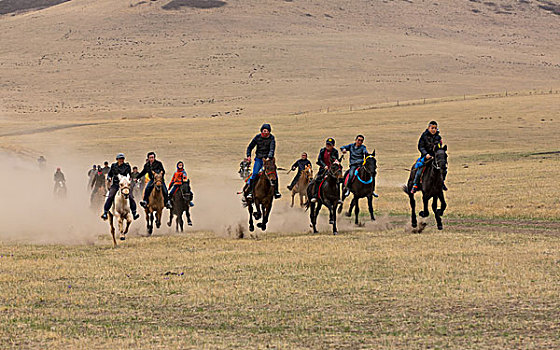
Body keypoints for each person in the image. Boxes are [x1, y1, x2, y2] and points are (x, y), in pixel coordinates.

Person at [245, 123, 281, 199]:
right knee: (254, 174)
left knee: (274, 175)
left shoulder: (272, 138)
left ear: (269, 132)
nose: (265, 132)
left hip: (268, 159)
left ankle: (276, 192)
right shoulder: (257, 138)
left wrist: (269, 157)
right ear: (261, 131)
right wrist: (248, 155)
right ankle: (251, 192)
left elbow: (272, 148)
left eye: (266, 131)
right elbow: (250, 147)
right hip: (259, 158)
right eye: (264, 131)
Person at [411, 121, 447, 194]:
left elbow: (439, 147)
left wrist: (438, 153)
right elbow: (420, 146)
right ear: (428, 128)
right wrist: (426, 154)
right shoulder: (424, 136)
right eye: (432, 128)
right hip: (426, 157)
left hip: (435, 157)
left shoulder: (438, 137)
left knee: (443, 169)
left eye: (435, 128)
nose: (433, 130)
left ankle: (442, 183)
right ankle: (415, 185)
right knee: (419, 170)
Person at [100, 153, 139, 220]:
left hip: (125, 185)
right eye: (120, 159)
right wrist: (109, 178)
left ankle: (134, 213)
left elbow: (129, 175)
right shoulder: (113, 166)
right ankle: (105, 213)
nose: (121, 160)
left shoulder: (127, 166)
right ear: (117, 159)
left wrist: (130, 179)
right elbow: (110, 174)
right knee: (110, 196)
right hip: (116, 185)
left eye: (122, 159)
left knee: (131, 197)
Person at [309, 138, 339, 203]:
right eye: (327, 144)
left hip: (332, 171)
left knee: (337, 181)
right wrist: (324, 165)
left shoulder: (335, 152)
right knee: (318, 180)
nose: (328, 145)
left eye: (330, 145)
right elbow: (319, 159)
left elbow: (336, 160)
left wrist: (334, 164)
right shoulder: (322, 150)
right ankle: (315, 196)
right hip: (323, 169)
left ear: (333, 145)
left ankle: (338, 198)